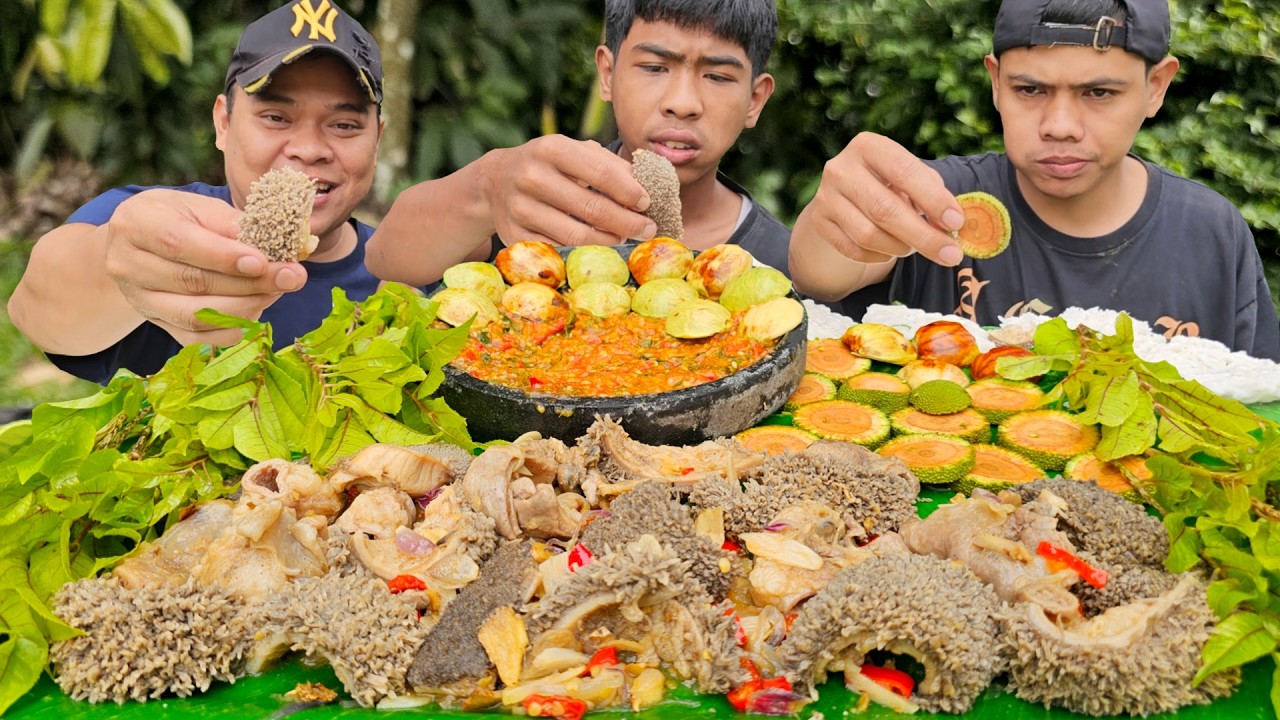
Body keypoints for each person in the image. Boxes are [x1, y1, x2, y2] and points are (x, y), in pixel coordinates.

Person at [788, 0, 1280, 361]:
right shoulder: (935, 201)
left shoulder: (1211, 232)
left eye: (1099, 93)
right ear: (996, 83)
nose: (1059, 125)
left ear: (1156, 87)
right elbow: (822, 275)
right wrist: (831, 222)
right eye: (1030, 89)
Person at [7, 0, 386, 384]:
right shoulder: (150, 220)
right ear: (223, 124)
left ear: (377, 141)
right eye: (275, 117)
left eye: (344, 125)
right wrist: (120, 270)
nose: (308, 149)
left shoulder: (406, 274)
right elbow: (35, 309)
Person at [366, 0, 790, 286]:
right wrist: (486, 186)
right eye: (654, 67)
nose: (682, 103)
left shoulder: (785, 264)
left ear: (755, 100)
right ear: (607, 74)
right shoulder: (539, 198)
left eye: (717, 76)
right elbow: (386, 257)